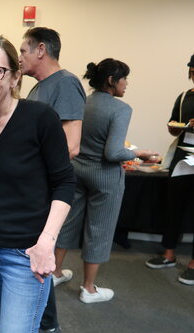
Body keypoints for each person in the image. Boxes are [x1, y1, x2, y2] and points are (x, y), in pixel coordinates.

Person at [0, 35, 75, 333]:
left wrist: (47, 242)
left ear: (14, 76)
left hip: (26, 254)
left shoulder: (40, 118)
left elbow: (65, 182)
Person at [54, 58, 159, 303]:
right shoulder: (121, 109)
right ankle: (89, 289)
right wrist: (139, 153)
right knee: (99, 230)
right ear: (112, 81)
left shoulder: (83, 102)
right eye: (124, 78)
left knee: (67, 222)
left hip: (77, 170)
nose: (127, 84)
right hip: (105, 177)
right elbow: (113, 153)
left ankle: (55, 272)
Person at [18, 26, 85, 333]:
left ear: (41, 50)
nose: (19, 57)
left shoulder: (66, 84)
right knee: (32, 261)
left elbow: (71, 145)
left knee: (37, 261)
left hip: (45, 190)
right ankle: (43, 322)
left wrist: (29, 170)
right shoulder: (36, 88)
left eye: (23, 51)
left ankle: (48, 326)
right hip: (29, 188)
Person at [145, 54, 194, 285]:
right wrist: (180, 126)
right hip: (183, 156)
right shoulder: (184, 97)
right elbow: (174, 128)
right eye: (192, 71)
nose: (193, 74)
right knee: (173, 206)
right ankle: (168, 253)